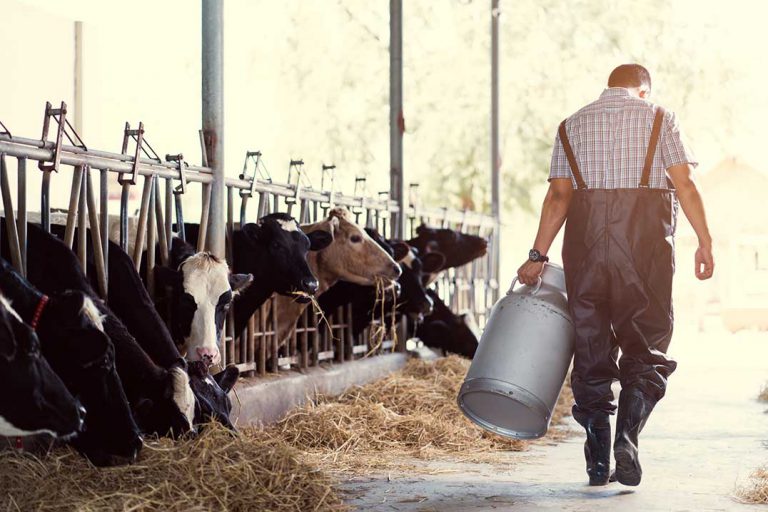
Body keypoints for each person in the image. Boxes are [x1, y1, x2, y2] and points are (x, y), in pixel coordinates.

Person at [517, 64, 714, 487]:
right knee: (646, 345)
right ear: (644, 90)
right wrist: (705, 241)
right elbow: (686, 184)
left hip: (585, 249)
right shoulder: (660, 117)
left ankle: (596, 457)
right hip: (644, 250)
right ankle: (627, 436)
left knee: (591, 345)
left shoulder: (571, 125)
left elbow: (558, 196)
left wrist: (538, 255)